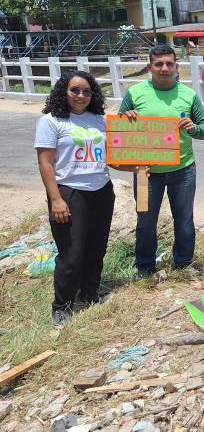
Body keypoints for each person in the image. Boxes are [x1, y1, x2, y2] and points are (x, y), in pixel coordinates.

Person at [35, 71, 120, 326]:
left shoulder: (100, 120)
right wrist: (57, 200)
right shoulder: (52, 121)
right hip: (69, 192)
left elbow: (115, 154)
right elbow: (45, 163)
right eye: (75, 90)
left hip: (102, 190)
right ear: (64, 91)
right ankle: (62, 306)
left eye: (86, 91)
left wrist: (140, 163)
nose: (81, 96)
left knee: (97, 248)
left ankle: (90, 294)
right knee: (71, 254)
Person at [119, 45, 204, 277]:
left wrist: (193, 128)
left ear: (177, 67)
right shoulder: (135, 93)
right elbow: (118, 129)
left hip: (183, 168)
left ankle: (183, 263)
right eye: (158, 64)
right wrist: (125, 117)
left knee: (184, 220)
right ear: (150, 67)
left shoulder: (188, 95)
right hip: (145, 171)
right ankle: (145, 266)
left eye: (169, 63)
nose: (164, 68)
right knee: (145, 221)